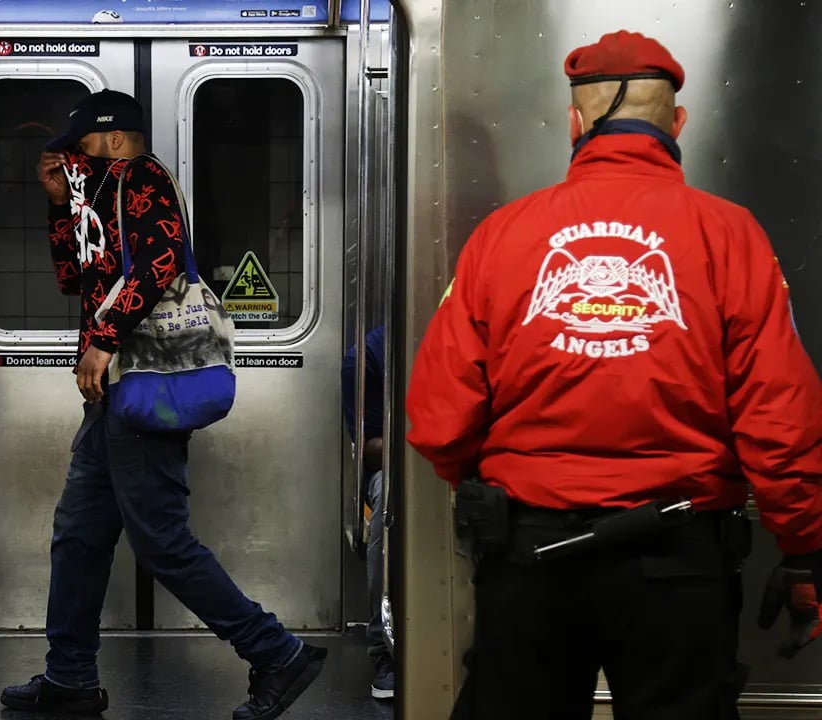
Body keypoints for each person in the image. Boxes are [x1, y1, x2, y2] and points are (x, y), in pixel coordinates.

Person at [406, 30, 822, 720]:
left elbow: (438, 416)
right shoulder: (731, 235)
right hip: (680, 561)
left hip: (529, 555)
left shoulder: (502, 236)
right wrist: (804, 547)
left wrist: (507, 495)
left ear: (574, 121)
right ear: (677, 123)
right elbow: (780, 415)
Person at [0, 89, 326, 720]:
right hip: (112, 397)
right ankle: (70, 677)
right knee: (79, 536)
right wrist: (58, 204)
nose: (74, 156)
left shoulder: (142, 177)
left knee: (161, 541)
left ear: (115, 137)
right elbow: (75, 276)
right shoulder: (97, 194)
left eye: (81, 145)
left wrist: (100, 340)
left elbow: (161, 260)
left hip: (144, 383)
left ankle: (277, 653)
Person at [340, 324, 395, 700]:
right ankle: (387, 650)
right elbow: (370, 446)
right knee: (390, 499)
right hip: (398, 458)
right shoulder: (369, 354)